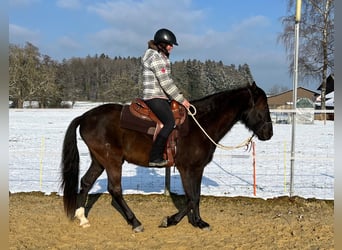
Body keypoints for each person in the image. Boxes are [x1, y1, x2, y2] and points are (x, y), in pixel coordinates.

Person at [142, 28, 191, 167]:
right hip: (154, 96)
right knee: (169, 122)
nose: (171, 47)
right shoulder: (155, 58)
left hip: (161, 95)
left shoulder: (159, 56)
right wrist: (182, 100)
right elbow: (166, 83)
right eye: (169, 44)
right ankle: (155, 156)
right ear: (161, 44)